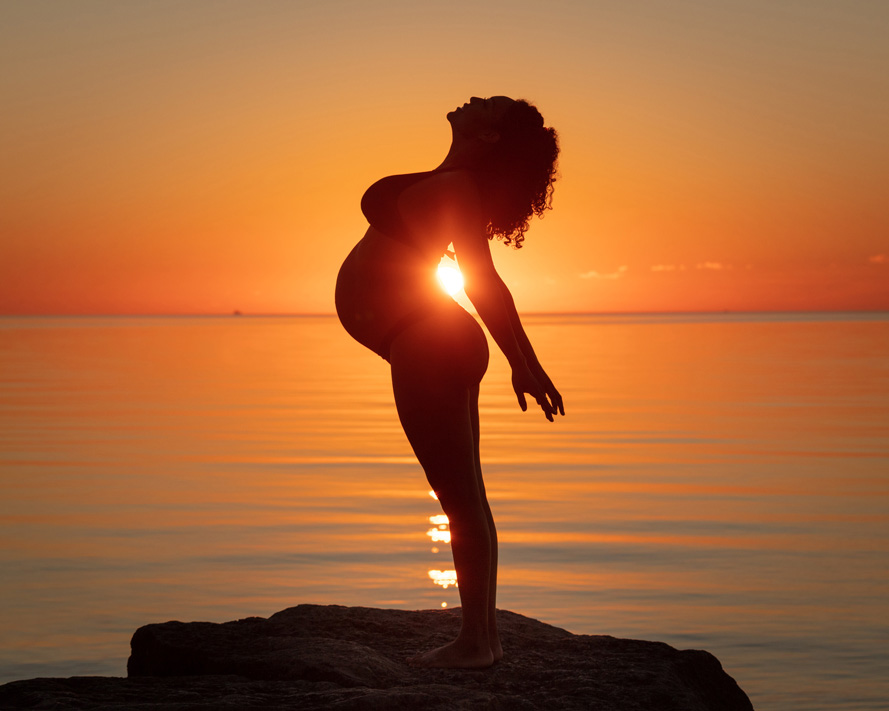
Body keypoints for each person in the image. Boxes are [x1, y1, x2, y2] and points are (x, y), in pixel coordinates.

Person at [335, 96, 564, 668]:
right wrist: (519, 360)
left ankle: (475, 644)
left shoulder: (458, 186)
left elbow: (483, 280)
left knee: (460, 501)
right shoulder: (452, 181)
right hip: (428, 339)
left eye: (488, 103)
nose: (472, 98)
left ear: (488, 135)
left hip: (428, 342)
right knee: (468, 497)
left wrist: (524, 360)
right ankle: (483, 638)